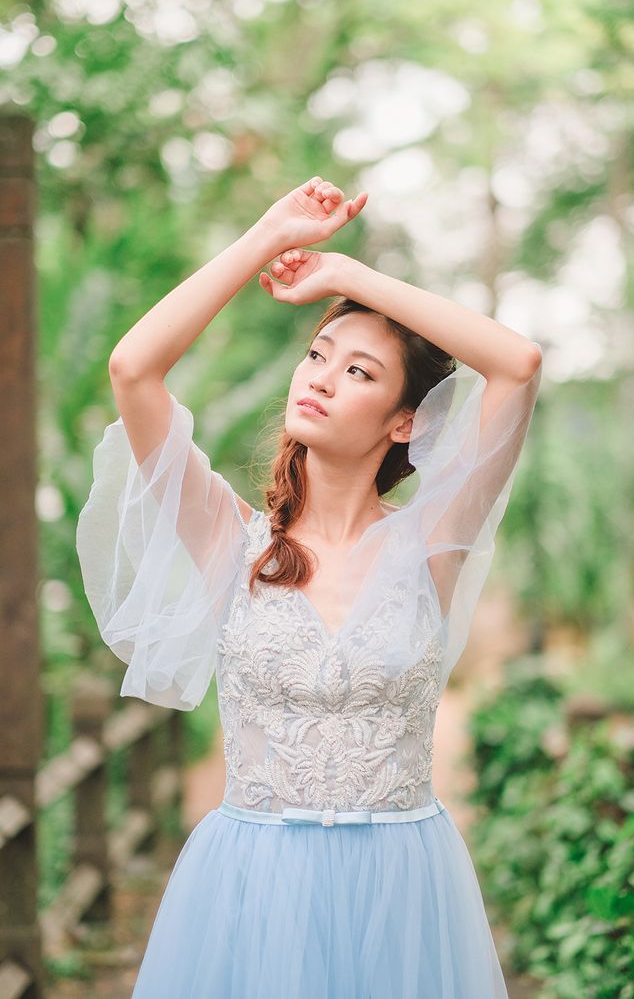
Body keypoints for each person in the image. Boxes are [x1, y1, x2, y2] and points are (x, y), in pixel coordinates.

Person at [76, 175, 543, 998]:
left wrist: (346, 277)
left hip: (404, 889)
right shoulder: (230, 541)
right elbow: (134, 369)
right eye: (317, 355)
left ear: (406, 421)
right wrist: (267, 234)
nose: (319, 378)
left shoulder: (433, 545)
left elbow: (517, 364)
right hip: (251, 886)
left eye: (360, 371)